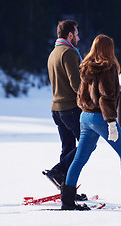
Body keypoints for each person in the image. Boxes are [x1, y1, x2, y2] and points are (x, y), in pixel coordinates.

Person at [60, 34, 121, 210]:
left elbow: (81, 95)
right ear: (108, 49)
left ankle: (67, 201)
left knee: (79, 159)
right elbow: (106, 97)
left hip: (85, 117)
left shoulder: (86, 67)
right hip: (101, 118)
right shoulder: (107, 68)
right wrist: (111, 122)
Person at [45, 19, 87, 200]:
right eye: (76, 33)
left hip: (57, 109)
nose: (78, 37)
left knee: (68, 147)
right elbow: (76, 84)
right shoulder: (69, 52)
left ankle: (68, 190)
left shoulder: (53, 53)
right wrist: (90, 101)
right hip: (70, 109)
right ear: (70, 35)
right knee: (87, 145)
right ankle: (59, 170)